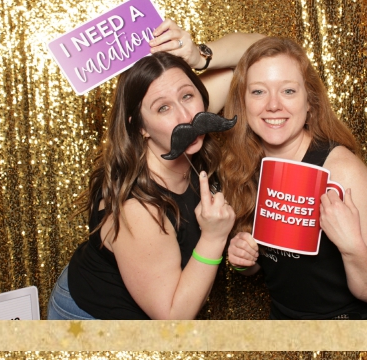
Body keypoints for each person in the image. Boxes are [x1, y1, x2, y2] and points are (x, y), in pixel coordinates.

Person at [46, 53, 235, 321]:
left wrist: (197, 52)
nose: (186, 117)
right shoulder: (138, 209)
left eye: (187, 96)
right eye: (162, 108)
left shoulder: (190, 119)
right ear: (141, 127)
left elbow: (253, 56)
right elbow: (172, 317)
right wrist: (214, 238)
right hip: (93, 315)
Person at [218, 38, 367, 318]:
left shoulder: (344, 172)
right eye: (258, 91)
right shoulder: (243, 165)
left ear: (309, 101)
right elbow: (270, 264)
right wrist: (243, 259)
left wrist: (351, 247)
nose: (273, 105)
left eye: (288, 91)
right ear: (243, 103)